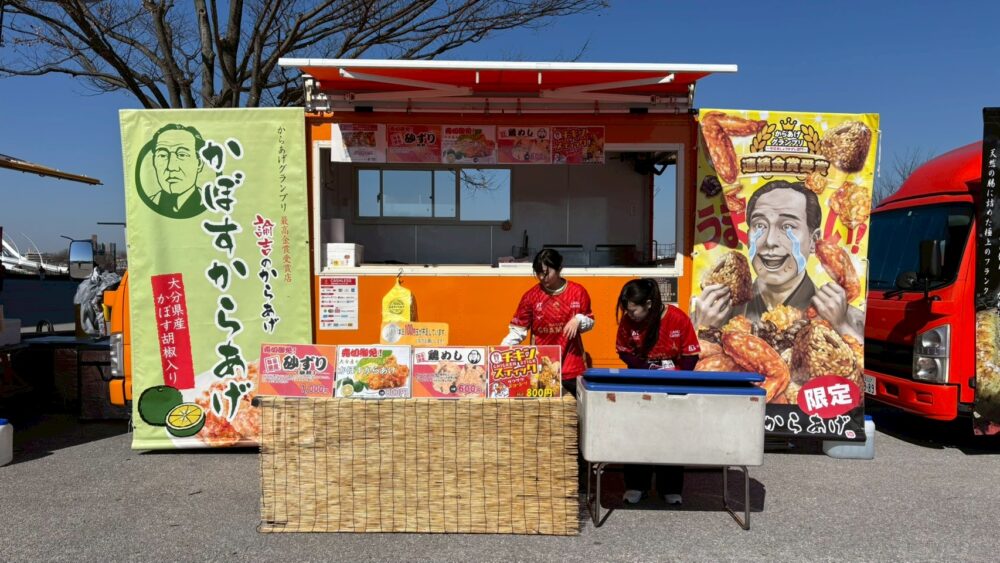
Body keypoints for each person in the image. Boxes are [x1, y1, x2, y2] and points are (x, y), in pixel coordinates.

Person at [697, 180, 864, 341]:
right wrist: (702, 328)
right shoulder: (713, 313)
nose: (770, 241)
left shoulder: (847, 318)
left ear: (813, 240)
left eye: (787, 226)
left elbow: (857, 358)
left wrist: (841, 325)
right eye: (760, 225)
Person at [615, 278, 700, 505]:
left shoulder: (677, 318)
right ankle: (636, 485)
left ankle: (670, 487)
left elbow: (691, 354)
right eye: (627, 310)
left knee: (670, 435)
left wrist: (678, 379)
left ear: (649, 304)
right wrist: (646, 368)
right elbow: (624, 350)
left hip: (673, 385)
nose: (630, 315)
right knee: (638, 434)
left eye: (633, 310)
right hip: (640, 381)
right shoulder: (628, 321)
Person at [502, 249, 594, 396]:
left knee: (575, 409)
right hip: (542, 367)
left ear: (559, 269)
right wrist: (501, 352)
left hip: (572, 367)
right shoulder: (531, 296)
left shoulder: (577, 292)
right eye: (538, 273)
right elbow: (518, 331)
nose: (541, 277)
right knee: (545, 409)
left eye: (546, 273)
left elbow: (590, 321)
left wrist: (578, 320)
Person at [147, 123, 207, 218]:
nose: (171, 167)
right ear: (154, 162)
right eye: (162, 155)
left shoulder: (212, 205)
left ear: (199, 163)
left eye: (182, 155)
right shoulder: (145, 208)